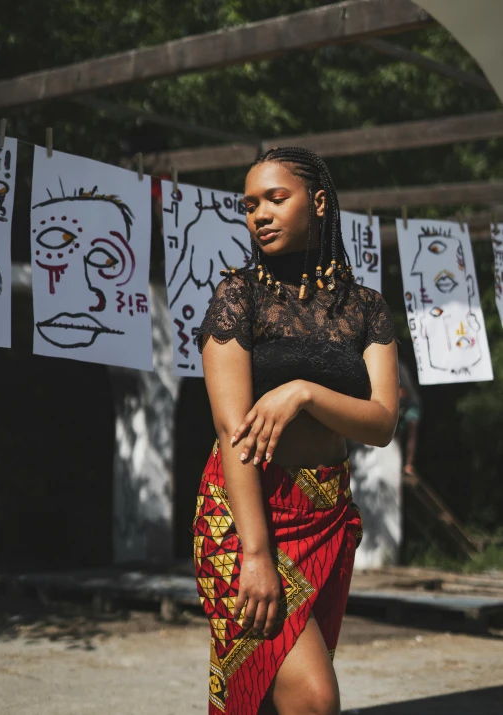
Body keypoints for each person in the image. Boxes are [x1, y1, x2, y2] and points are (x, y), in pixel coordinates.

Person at [193, 147, 398, 715]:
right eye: (250, 204)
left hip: (326, 515)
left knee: (273, 699)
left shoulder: (367, 310)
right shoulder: (239, 297)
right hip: (244, 515)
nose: (259, 214)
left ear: (320, 202)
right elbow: (235, 431)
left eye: (275, 199)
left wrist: (303, 392)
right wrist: (256, 553)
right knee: (312, 695)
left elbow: (382, 421)